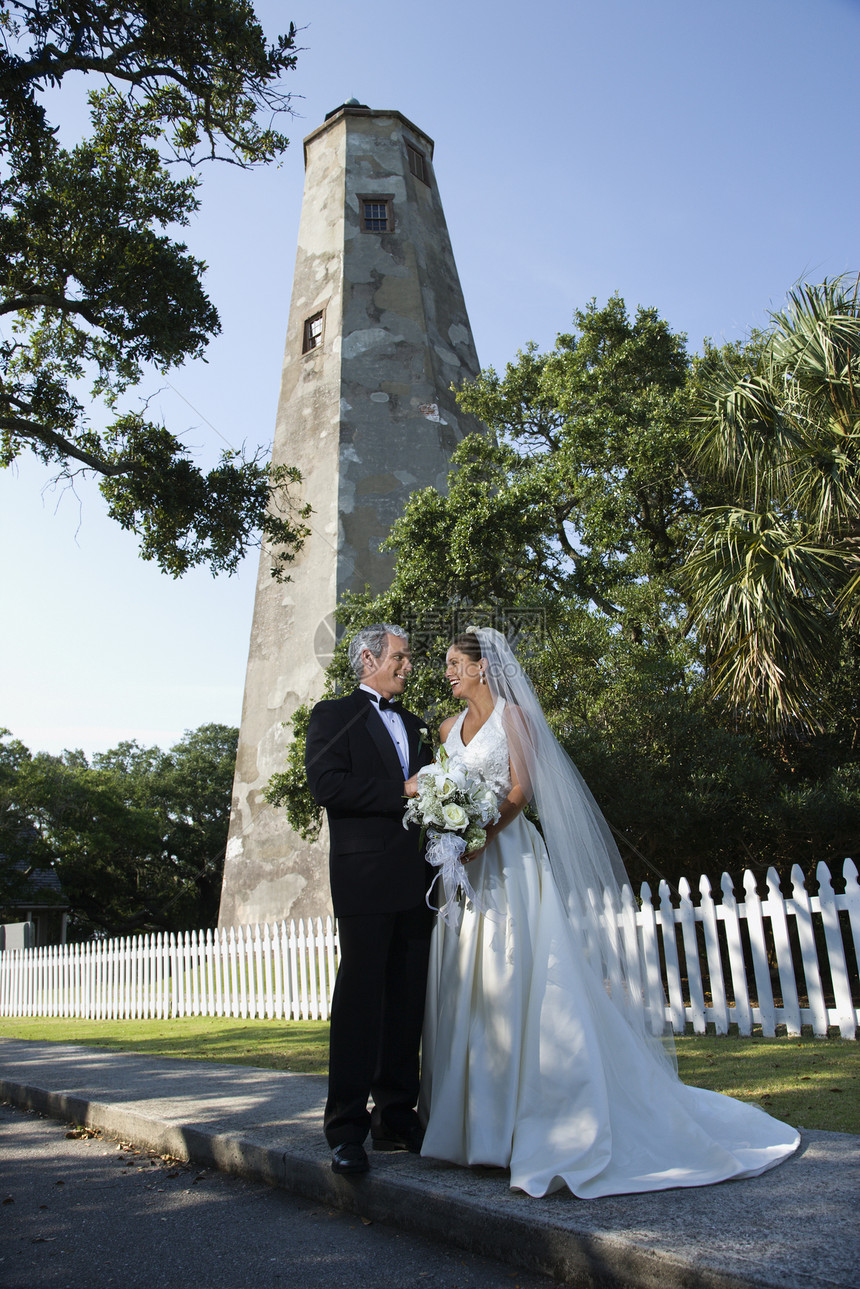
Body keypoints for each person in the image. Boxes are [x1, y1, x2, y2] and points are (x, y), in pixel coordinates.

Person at [419, 626, 800, 1199]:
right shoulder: (447, 730)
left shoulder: (514, 720)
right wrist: (450, 831)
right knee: (469, 983)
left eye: (454, 663)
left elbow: (522, 789)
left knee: (522, 975)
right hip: (466, 875)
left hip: (511, 860)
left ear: (482, 668)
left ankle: (528, 1125)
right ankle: (471, 1129)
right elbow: (439, 788)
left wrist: (483, 832)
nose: (446, 672)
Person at [306, 623, 434, 1175]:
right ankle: (346, 1129)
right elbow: (326, 785)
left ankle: (396, 1116)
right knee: (360, 1001)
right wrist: (400, 790)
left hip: (418, 879)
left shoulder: (415, 723)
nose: (408, 666)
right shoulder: (332, 716)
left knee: (407, 1000)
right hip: (363, 879)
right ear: (369, 657)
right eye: (401, 657)